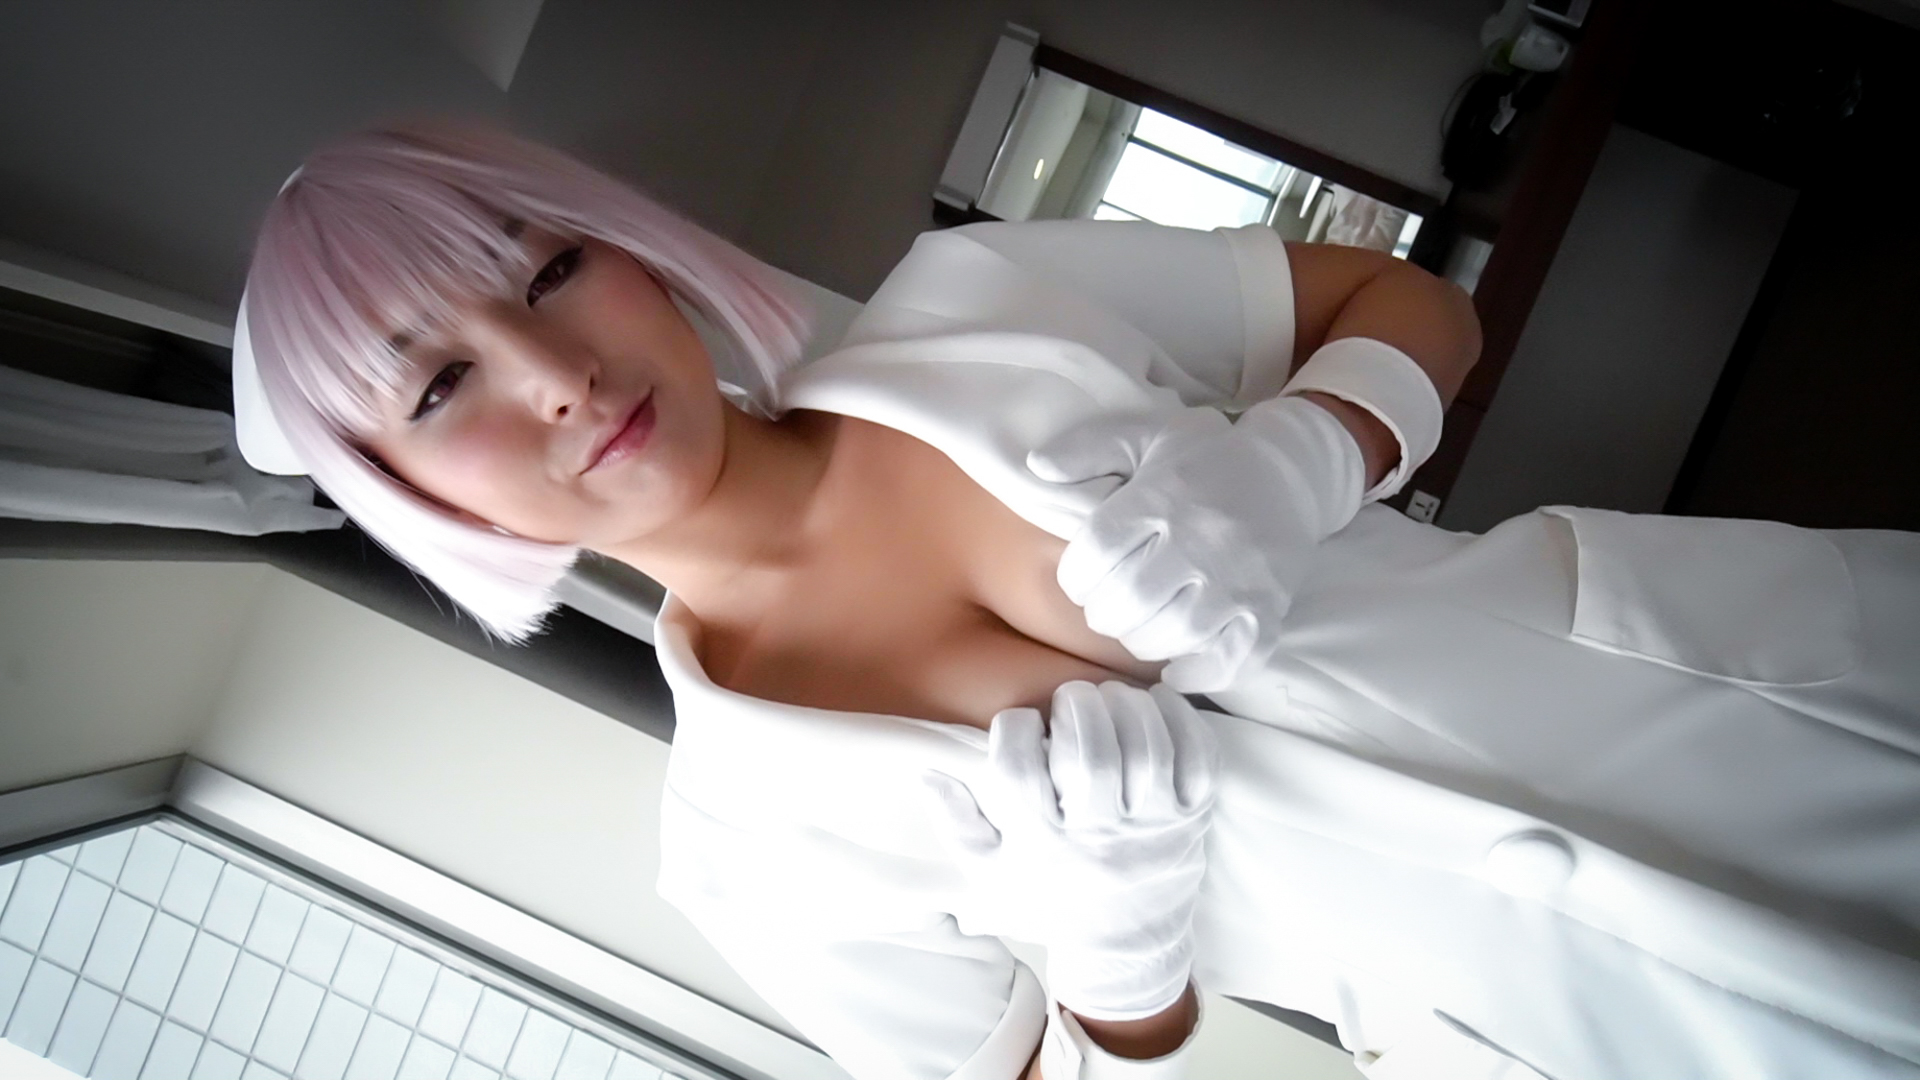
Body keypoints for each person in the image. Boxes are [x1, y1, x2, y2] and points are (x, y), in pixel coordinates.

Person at [233, 123, 1920, 1080]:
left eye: (546, 270)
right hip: (1602, 1026)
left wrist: (1297, 461)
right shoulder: (746, 851)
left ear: (629, 249)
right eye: (438, 386)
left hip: (1762, 694)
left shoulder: (978, 296)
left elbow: (1411, 304)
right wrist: (1121, 932)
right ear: (408, 494)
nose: (552, 371)